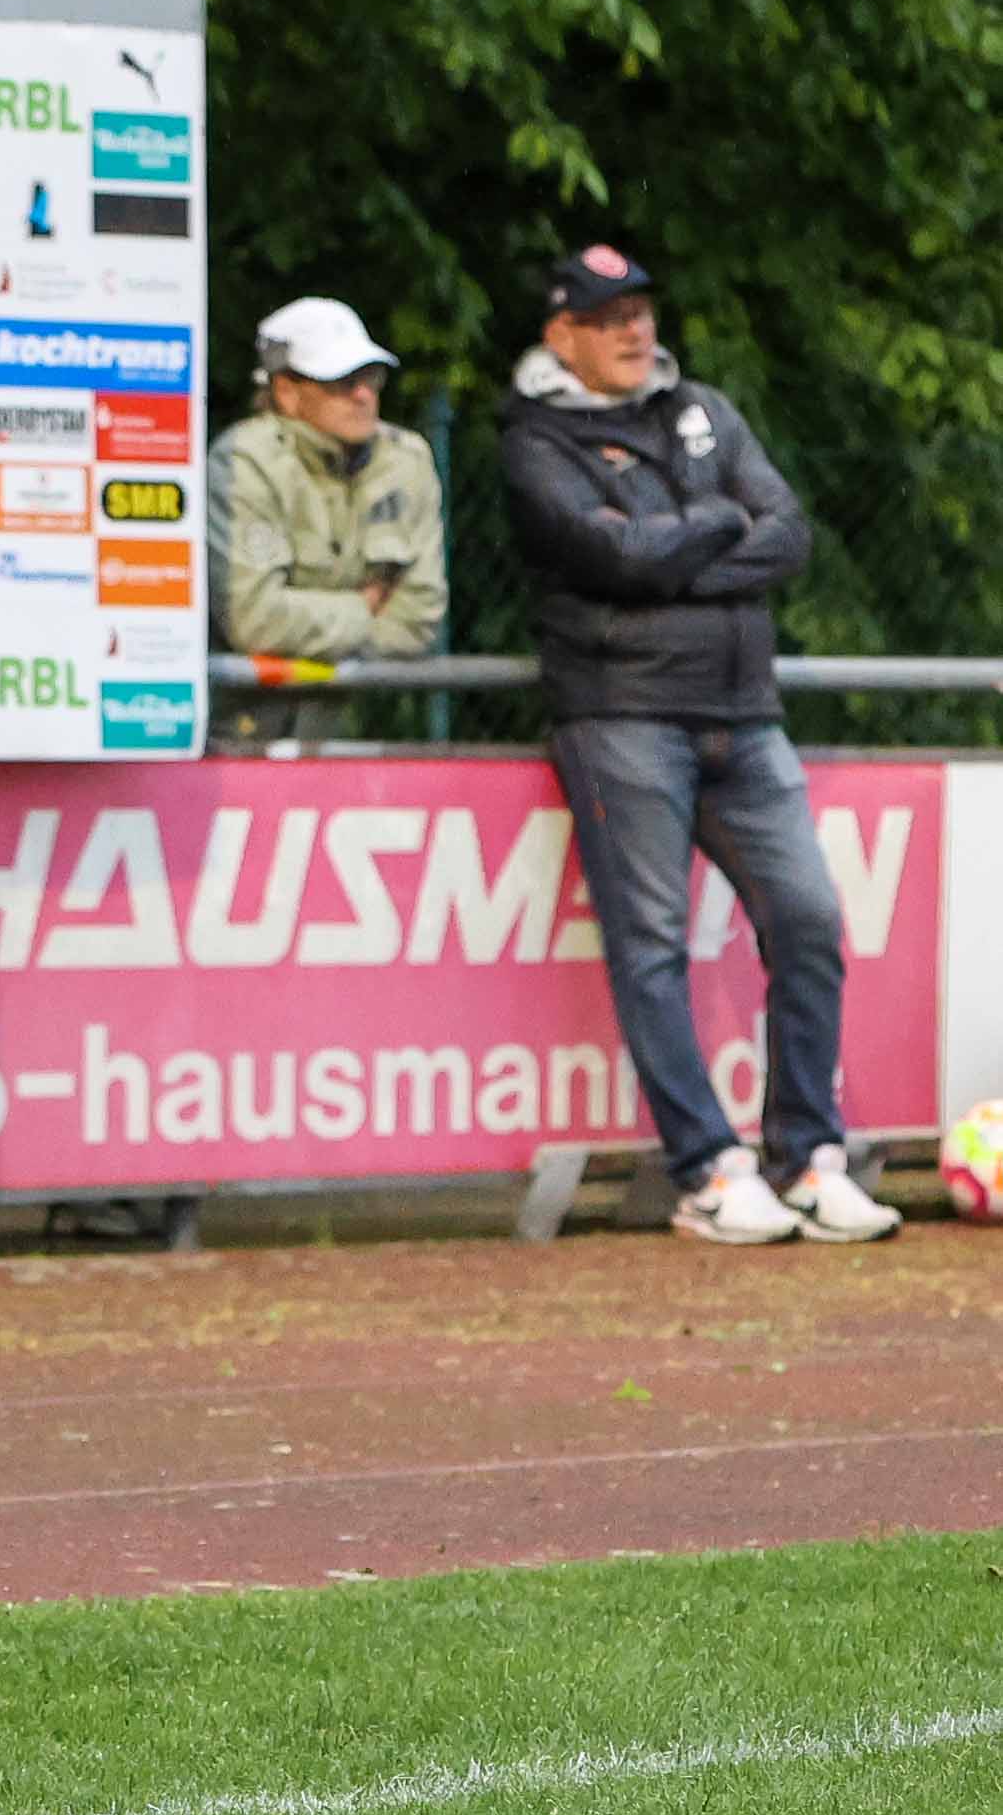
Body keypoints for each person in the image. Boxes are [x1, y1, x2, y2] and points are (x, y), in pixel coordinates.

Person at [496, 245, 896, 1248]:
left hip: (745, 716)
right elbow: (607, 554)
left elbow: (788, 532)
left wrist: (676, 553)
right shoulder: (535, 437)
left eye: (642, 310)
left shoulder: (706, 407)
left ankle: (809, 1157)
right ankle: (711, 1169)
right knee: (653, 947)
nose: (637, 330)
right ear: (563, 336)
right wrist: (719, 526)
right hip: (621, 716)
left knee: (808, 919)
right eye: (610, 316)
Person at [213, 296, 447, 748]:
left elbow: (418, 619)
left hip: (345, 735)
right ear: (287, 391)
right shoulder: (244, 461)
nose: (364, 395)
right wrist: (365, 607)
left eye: (371, 377)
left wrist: (306, 621)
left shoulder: (408, 460)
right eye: (342, 381)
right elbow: (253, 619)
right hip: (238, 735)